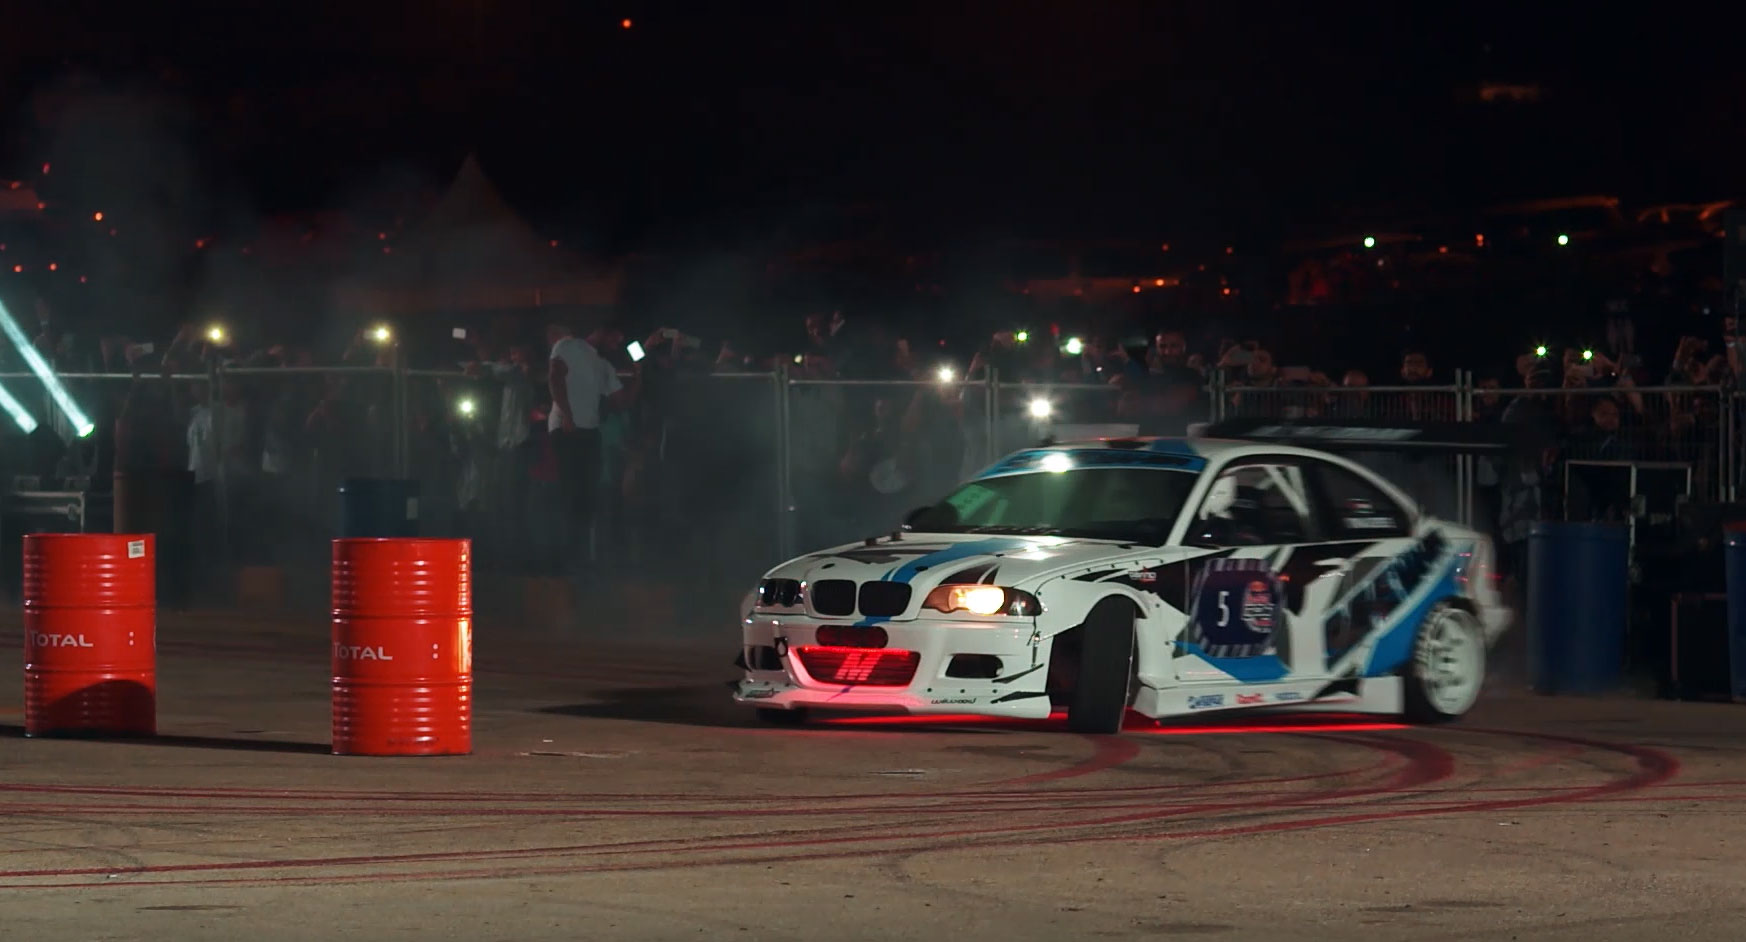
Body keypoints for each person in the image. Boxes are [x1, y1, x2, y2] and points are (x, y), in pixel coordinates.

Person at [546, 319, 636, 575]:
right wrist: (567, 414)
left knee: (587, 497)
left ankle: (581, 560)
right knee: (571, 494)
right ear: (601, 331)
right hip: (568, 428)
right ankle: (569, 561)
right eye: (615, 337)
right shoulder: (569, 345)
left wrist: (639, 376)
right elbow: (555, 377)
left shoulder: (603, 365)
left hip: (589, 432)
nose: (618, 343)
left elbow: (622, 401)